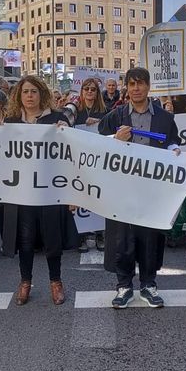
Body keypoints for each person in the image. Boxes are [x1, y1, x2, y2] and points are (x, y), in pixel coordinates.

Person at [98, 67, 181, 309]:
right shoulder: (116, 116)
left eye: (140, 84)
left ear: (148, 86)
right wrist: (114, 140)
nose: (136, 89)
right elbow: (96, 143)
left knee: (150, 237)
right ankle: (124, 285)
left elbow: (173, 140)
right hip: (122, 188)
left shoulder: (165, 119)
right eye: (132, 84)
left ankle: (148, 284)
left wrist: (173, 149)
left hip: (152, 189)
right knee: (122, 237)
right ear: (127, 87)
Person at [3, 75, 78, 306]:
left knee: (52, 238)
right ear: (19, 95)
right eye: (25, 92)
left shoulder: (57, 119)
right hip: (22, 193)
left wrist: (67, 131)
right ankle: (25, 282)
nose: (29, 96)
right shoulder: (11, 122)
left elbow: (70, 155)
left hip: (50, 191)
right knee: (25, 240)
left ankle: (56, 282)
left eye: (34, 91)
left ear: (41, 94)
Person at [73, 78, 109, 253]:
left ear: (97, 93)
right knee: (81, 198)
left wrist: (99, 123)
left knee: (99, 197)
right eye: (86, 88)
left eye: (93, 89)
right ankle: (82, 235)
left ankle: (101, 234)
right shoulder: (75, 112)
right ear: (81, 91)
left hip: (99, 162)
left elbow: (111, 132)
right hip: (79, 162)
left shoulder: (105, 112)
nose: (89, 92)